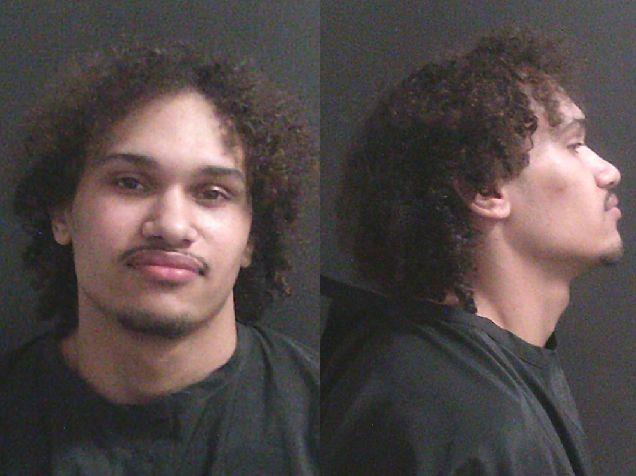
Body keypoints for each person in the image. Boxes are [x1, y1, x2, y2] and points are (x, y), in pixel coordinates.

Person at [0, 43, 318, 475]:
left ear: (251, 238)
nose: (171, 225)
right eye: (130, 183)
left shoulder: (329, 420)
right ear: (62, 214)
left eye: (212, 193)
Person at [321, 29, 622, 475]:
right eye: (574, 145)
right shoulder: (456, 418)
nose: (609, 171)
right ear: (485, 189)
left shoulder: (463, 384)